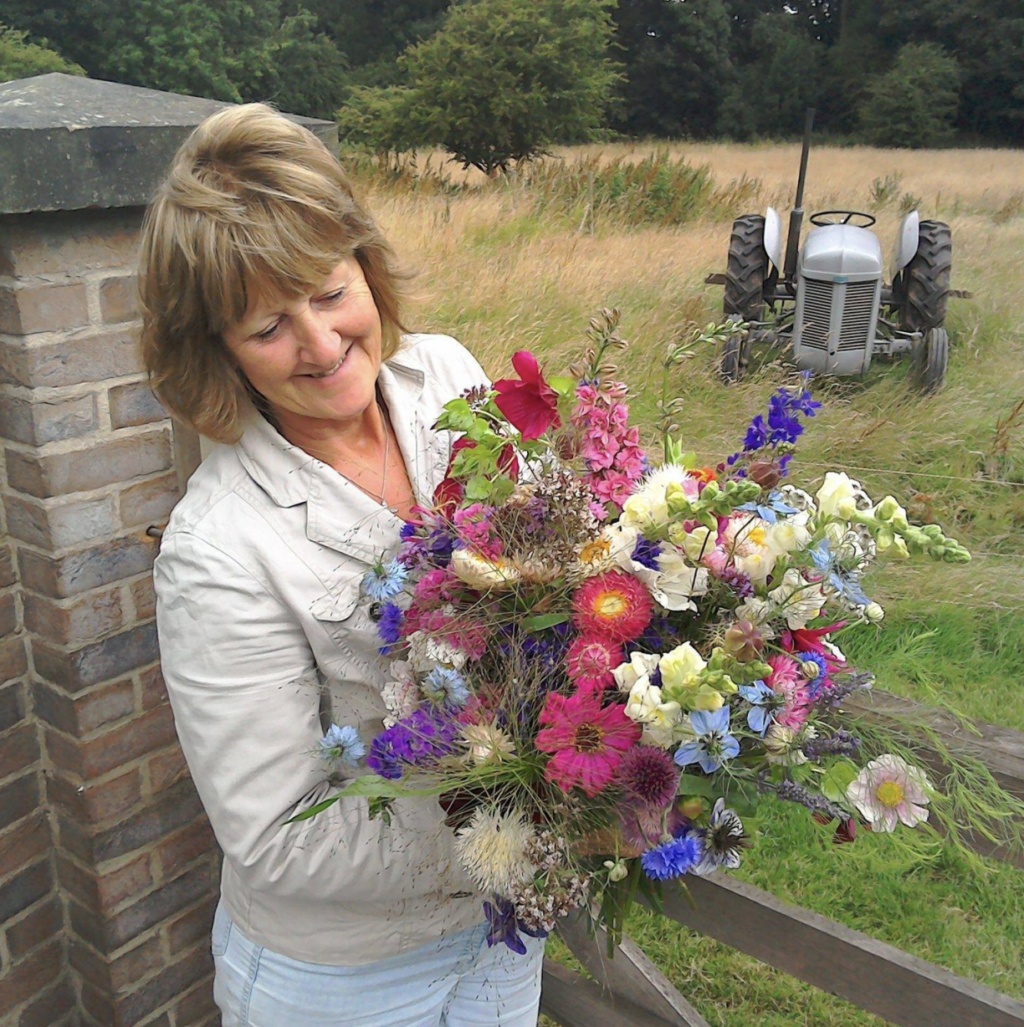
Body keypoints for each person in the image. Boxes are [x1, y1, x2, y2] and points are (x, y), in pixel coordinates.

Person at [140, 103, 545, 1027]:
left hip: (499, 928)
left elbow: (546, 556)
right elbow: (280, 836)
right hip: (346, 980)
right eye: (267, 326)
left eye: (328, 293)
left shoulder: (445, 377)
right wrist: (543, 814)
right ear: (218, 352)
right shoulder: (218, 546)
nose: (321, 346)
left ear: (365, 265)